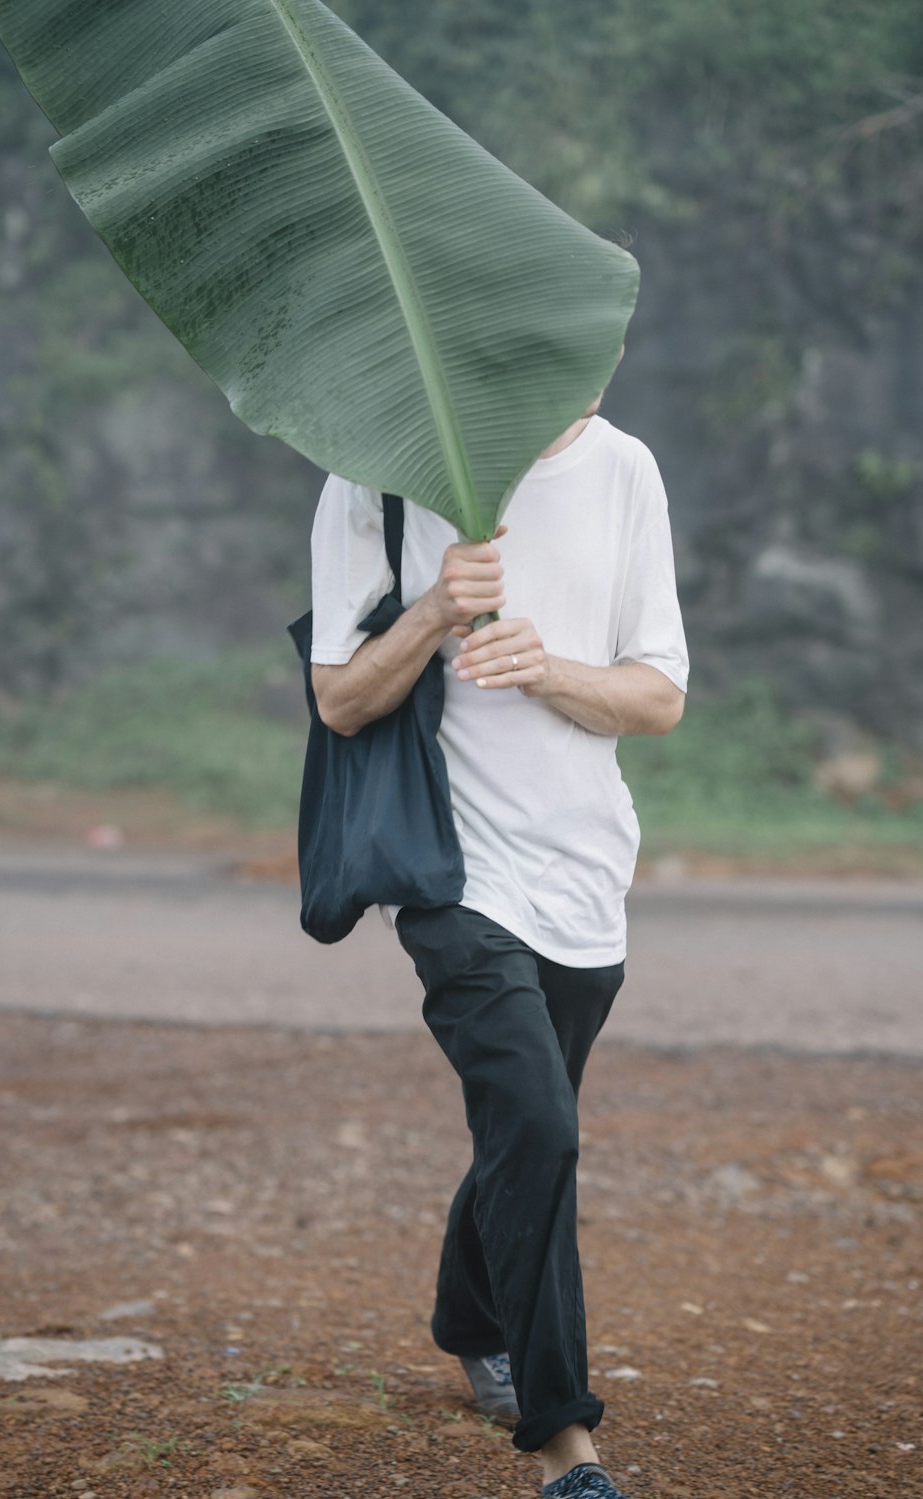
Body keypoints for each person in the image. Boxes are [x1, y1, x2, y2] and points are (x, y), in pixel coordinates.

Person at [307, 368, 689, 1499]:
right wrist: (432, 607)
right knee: (535, 1114)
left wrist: (545, 668)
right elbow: (338, 699)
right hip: (446, 868)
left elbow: (659, 695)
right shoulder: (370, 480)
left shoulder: (622, 469)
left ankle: (467, 1311)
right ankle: (566, 1439)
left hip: (583, 868)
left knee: (530, 1123)